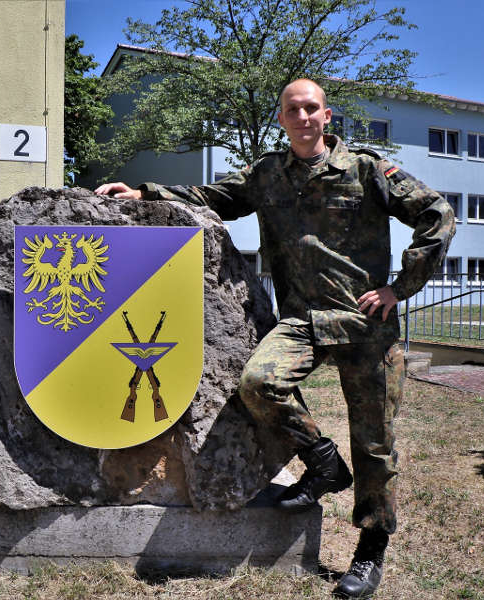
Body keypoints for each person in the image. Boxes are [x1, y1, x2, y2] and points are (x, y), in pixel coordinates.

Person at [95, 78, 455, 599]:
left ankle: (370, 551)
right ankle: (324, 461)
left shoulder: (367, 170)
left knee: (376, 446)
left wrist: (400, 288)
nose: (303, 117)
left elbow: (436, 215)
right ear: (282, 118)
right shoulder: (267, 174)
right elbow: (213, 196)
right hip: (302, 319)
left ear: (326, 116)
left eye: (312, 108)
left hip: (365, 324)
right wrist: (145, 191)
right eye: (293, 109)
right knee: (258, 383)